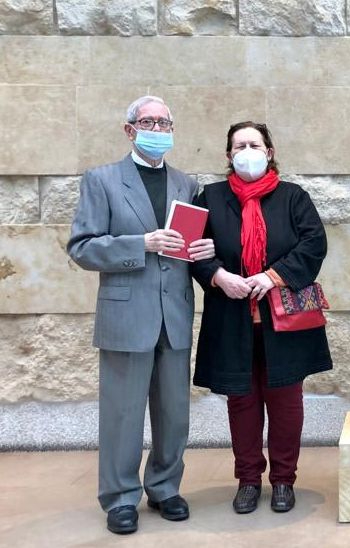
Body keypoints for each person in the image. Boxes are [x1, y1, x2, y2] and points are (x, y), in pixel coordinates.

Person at [67, 95, 215, 535]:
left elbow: (187, 246)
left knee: (174, 413)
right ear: (129, 129)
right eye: (148, 120)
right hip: (126, 316)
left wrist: (204, 253)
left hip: (174, 314)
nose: (158, 127)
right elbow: (82, 247)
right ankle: (120, 497)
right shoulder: (102, 180)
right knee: (122, 413)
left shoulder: (186, 184)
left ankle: (165, 487)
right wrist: (140, 245)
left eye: (165, 121)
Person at [190, 121, 332, 515]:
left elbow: (313, 244)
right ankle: (249, 479)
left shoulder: (293, 197)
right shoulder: (210, 198)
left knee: (286, 403)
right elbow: (191, 248)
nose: (247, 151)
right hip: (231, 319)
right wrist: (218, 276)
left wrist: (271, 277)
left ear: (268, 152)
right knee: (242, 402)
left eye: (255, 144)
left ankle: (284, 479)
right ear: (229, 156)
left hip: (284, 321)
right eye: (239, 145)